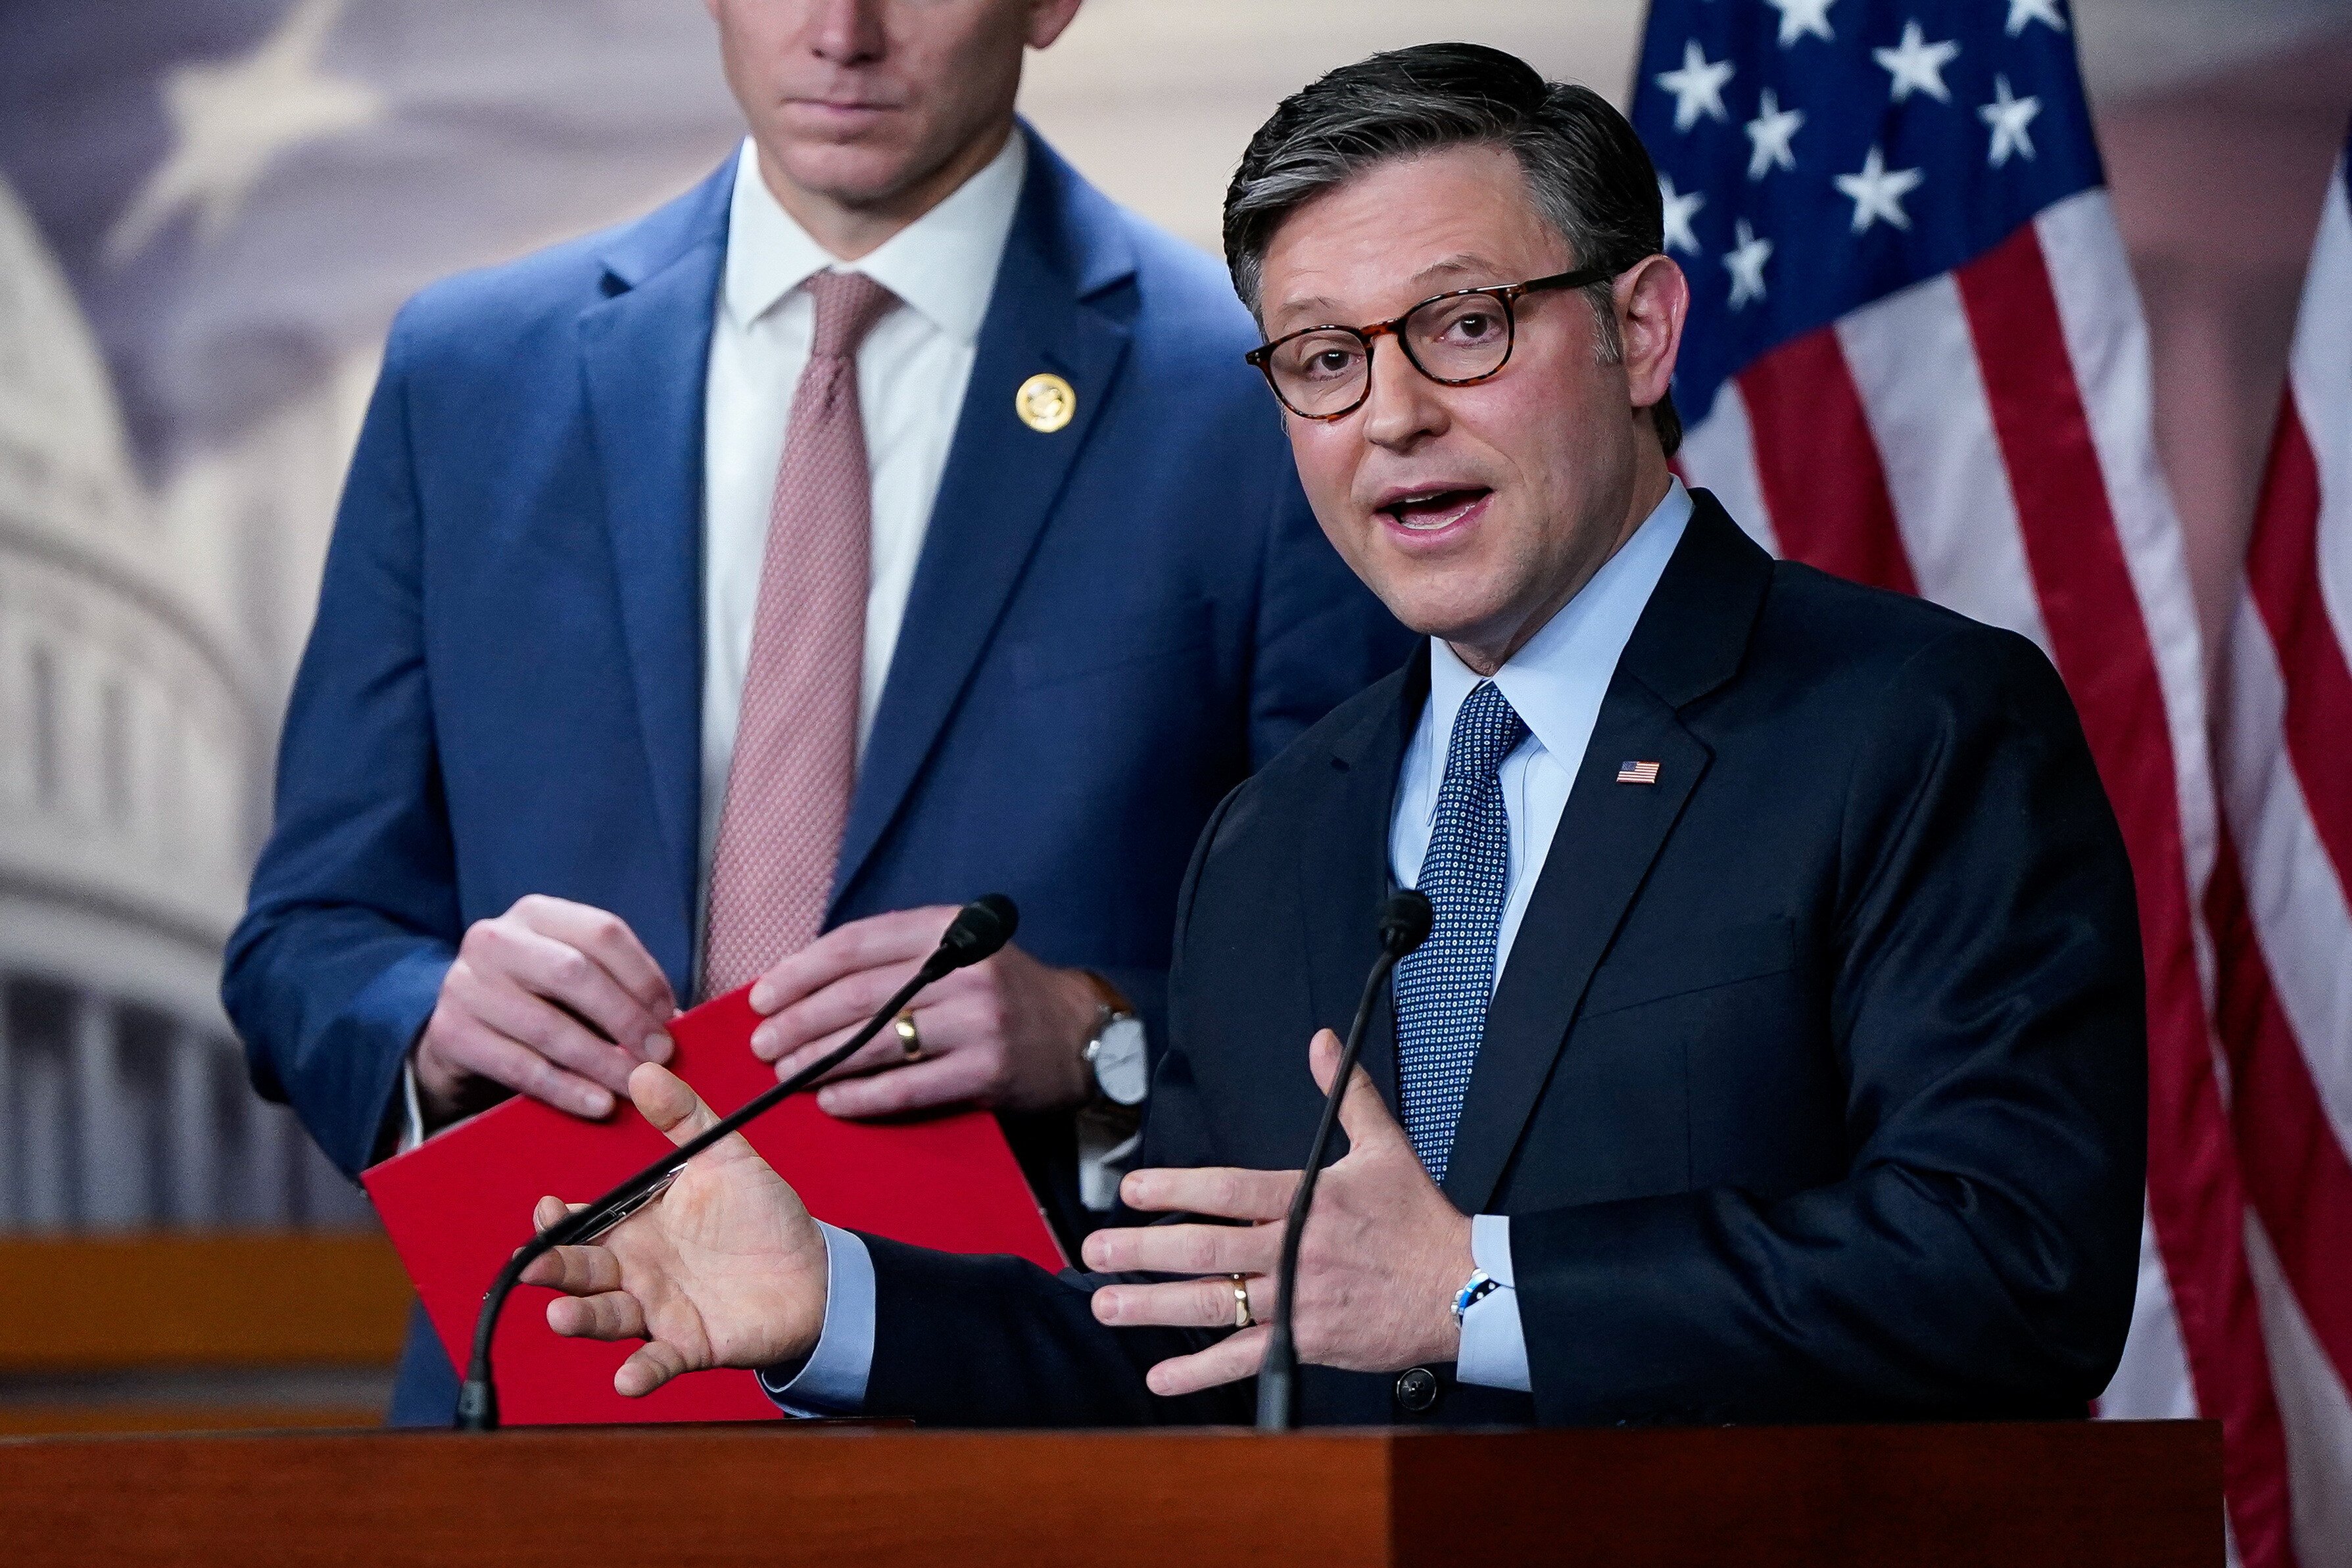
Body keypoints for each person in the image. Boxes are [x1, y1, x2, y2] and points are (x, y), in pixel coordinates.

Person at [521, 43, 2148, 1427]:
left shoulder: (1918, 724)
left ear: (1642, 329)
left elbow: (2012, 1269)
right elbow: (1196, 1344)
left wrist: (1472, 1291)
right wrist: (838, 1299)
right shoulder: (1279, 828)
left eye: (1461, 325)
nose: (1389, 415)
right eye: (1321, 359)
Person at [220, 0, 1407, 1427]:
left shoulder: (1254, 397)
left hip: (1023, 1417)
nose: (841, 32)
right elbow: (304, 939)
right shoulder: (471, 375)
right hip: (540, 1393)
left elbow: (1377, 970)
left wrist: (1096, 1038)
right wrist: (434, 1019)